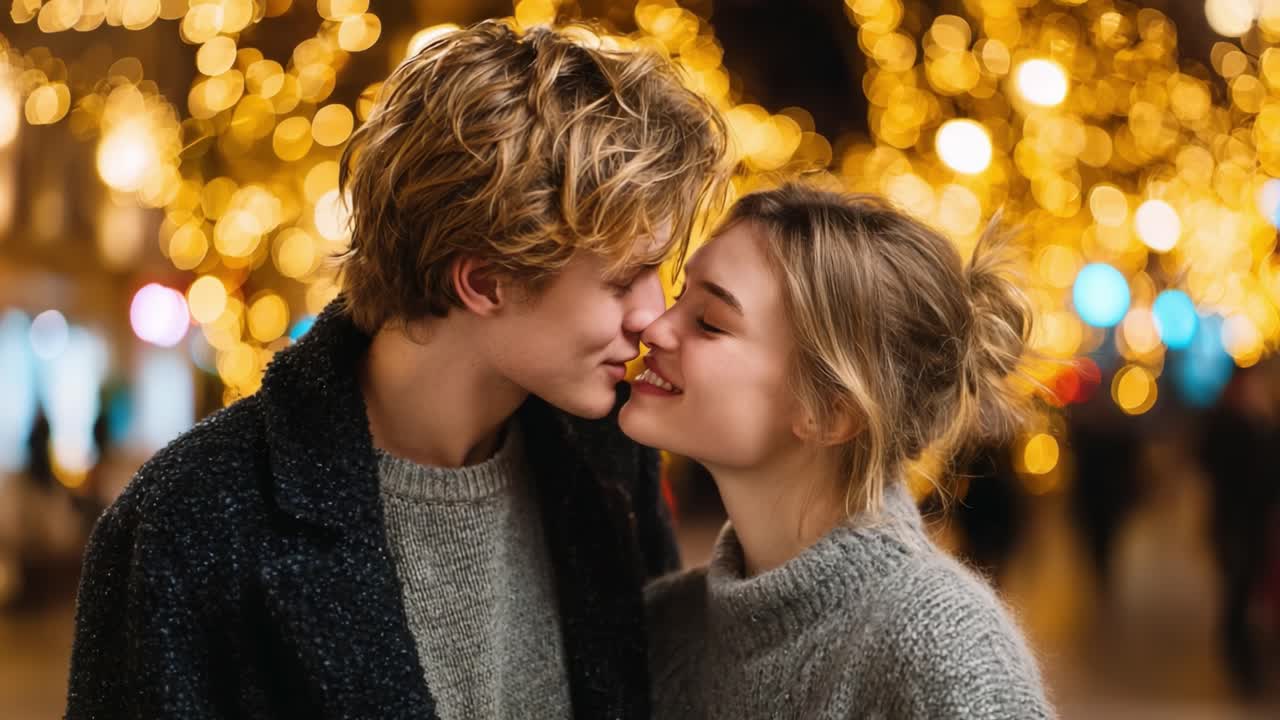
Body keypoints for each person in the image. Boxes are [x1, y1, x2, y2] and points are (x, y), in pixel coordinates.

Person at [66, 20, 728, 720]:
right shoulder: (190, 520)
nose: (654, 318)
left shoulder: (607, 458)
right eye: (625, 280)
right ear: (483, 282)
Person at [621, 184, 1054, 718]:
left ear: (831, 412)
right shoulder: (663, 631)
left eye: (709, 322)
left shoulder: (947, 646)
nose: (654, 327)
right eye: (679, 295)